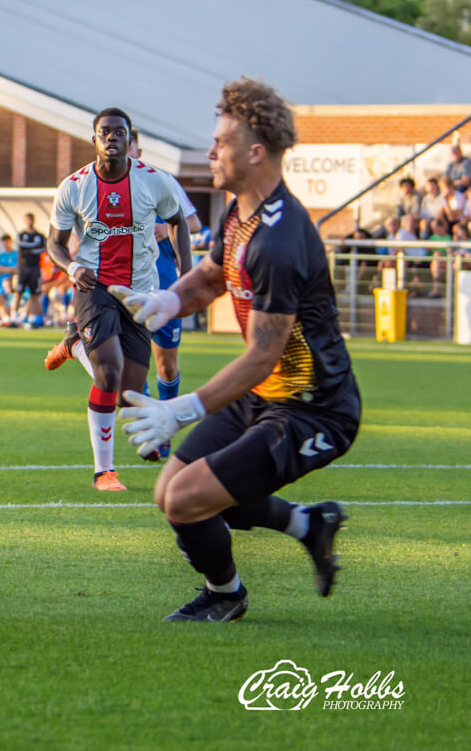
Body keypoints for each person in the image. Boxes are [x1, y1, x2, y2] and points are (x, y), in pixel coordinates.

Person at [111, 78, 358, 622]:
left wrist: (181, 408)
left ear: (255, 151)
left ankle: (226, 596)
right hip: (266, 394)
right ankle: (308, 526)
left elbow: (263, 356)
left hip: (313, 408)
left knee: (186, 500)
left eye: (220, 142)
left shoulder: (281, 239)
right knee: (170, 490)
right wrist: (168, 302)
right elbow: (209, 275)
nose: (209, 152)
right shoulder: (240, 209)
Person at [46, 107, 192, 492]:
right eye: (104, 132)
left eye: (119, 132)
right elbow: (55, 244)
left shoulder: (155, 182)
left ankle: (76, 345)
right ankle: (104, 473)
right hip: (94, 287)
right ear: (94, 139)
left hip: (141, 291)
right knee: (108, 369)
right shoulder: (74, 186)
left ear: (131, 141)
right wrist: (73, 268)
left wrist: (186, 275)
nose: (112, 137)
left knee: (128, 395)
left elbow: (179, 222)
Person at [12, 213, 45, 326]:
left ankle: (33, 318)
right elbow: (20, 245)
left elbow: (41, 248)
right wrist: (32, 247)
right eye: (27, 220)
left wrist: (28, 248)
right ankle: (14, 318)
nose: (29, 222)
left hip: (35, 267)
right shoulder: (21, 234)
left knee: (34, 293)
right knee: (18, 292)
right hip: (23, 267)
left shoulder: (39, 235)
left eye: (30, 219)